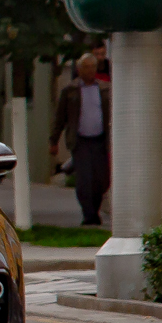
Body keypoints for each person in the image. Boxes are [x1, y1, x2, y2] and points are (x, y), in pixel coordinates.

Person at [50, 52, 113, 226]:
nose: (90, 70)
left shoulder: (105, 89)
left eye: (92, 67)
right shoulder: (71, 91)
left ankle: (95, 208)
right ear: (79, 69)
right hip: (81, 141)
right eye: (86, 67)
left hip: (100, 140)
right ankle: (89, 215)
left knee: (100, 179)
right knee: (85, 179)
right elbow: (60, 117)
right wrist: (53, 141)